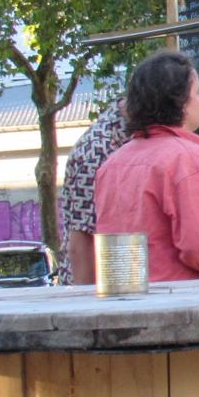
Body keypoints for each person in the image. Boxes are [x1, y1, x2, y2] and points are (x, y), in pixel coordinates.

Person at [94, 51, 199, 281]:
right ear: (180, 101)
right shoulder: (189, 160)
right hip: (181, 305)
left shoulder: (112, 164)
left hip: (126, 303)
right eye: (198, 93)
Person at [57, 97, 128, 285]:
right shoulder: (97, 150)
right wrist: (88, 310)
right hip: (92, 293)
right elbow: (81, 244)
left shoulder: (125, 140)